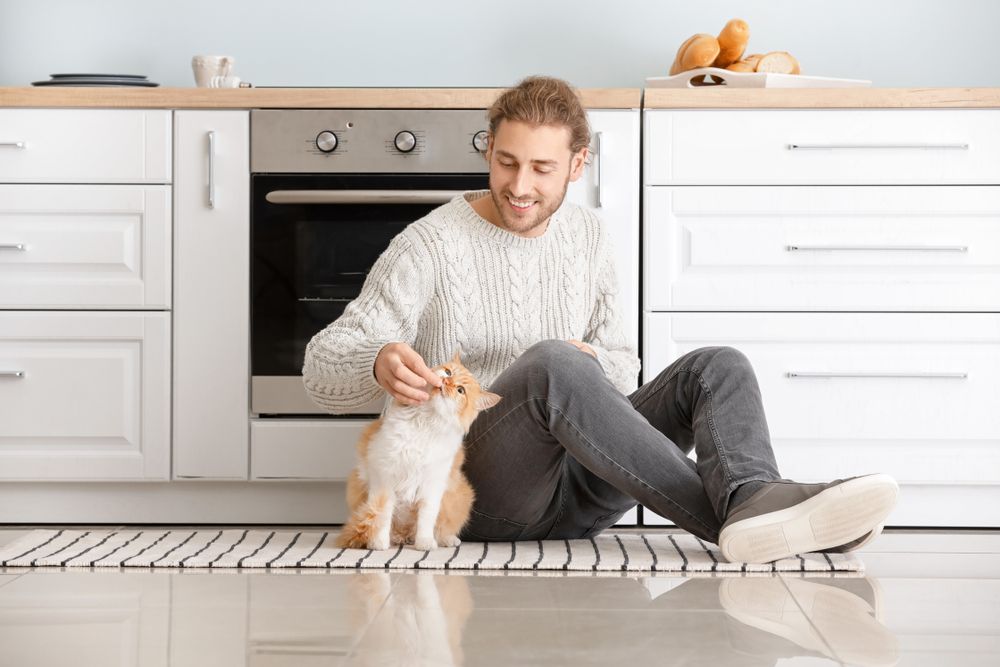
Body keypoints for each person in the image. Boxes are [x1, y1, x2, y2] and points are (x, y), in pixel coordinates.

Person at [302, 75, 898, 564]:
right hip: (482, 496)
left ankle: (753, 498)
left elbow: (621, 365)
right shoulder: (429, 244)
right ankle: (747, 522)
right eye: (506, 162)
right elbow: (321, 366)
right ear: (488, 150)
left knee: (719, 366)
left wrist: (595, 366)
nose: (519, 186)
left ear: (578, 163)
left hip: (582, 490)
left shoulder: (589, 237)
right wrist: (377, 362)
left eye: (541, 168)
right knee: (553, 363)